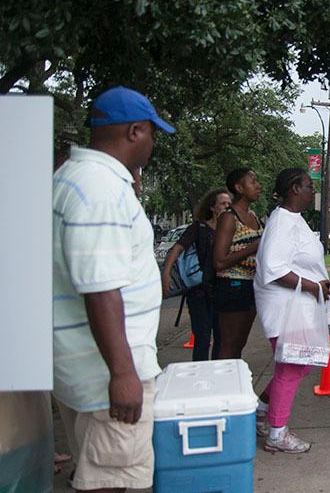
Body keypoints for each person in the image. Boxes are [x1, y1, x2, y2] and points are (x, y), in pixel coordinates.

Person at [52, 86, 175, 492]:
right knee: (111, 481)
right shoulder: (99, 190)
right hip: (108, 372)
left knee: (99, 475)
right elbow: (101, 289)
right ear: (135, 131)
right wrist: (123, 374)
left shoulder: (73, 177)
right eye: (154, 134)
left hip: (86, 366)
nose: (153, 144)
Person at [254, 169, 330, 453]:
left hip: (298, 308)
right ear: (294, 189)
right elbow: (275, 268)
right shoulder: (283, 222)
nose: (313, 191)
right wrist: (312, 286)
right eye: (309, 186)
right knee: (292, 366)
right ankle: (277, 433)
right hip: (287, 309)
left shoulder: (292, 220)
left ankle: (262, 410)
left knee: (302, 364)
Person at [161, 188, 232, 361]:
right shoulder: (199, 228)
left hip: (222, 290)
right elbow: (176, 249)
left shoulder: (231, 230)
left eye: (229, 203)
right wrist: (166, 275)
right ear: (212, 207)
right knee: (202, 338)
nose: (227, 206)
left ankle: (216, 373)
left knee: (222, 339)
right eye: (223, 203)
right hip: (199, 291)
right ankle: (200, 375)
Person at [213, 168, 263, 359]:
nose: (258, 186)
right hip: (232, 286)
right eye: (253, 181)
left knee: (239, 344)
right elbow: (219, 261)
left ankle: (232, 384)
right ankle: (223, 385)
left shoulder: (254, 216)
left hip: (251, 285)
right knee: (229, 345)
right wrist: (253, 247)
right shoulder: (229, 217)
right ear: (239, 187)